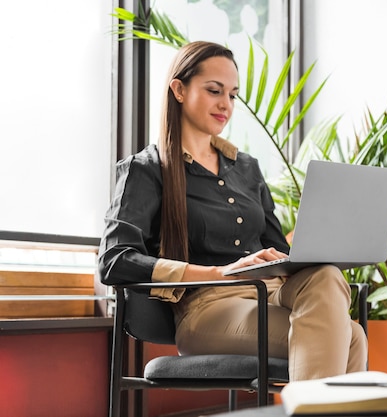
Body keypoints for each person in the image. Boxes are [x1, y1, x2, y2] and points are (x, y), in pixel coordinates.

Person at [98, 41, 367, 380]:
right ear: (179, 90)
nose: (226, 104)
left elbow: (276, 252)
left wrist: (306, 244)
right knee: (350, 338)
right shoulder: (147, 169)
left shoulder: (247, 169)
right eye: (214, 91)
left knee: (328, 278)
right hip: (206, 308)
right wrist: (220, 272)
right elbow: (114, 259)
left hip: (266, 293)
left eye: (233, 95)